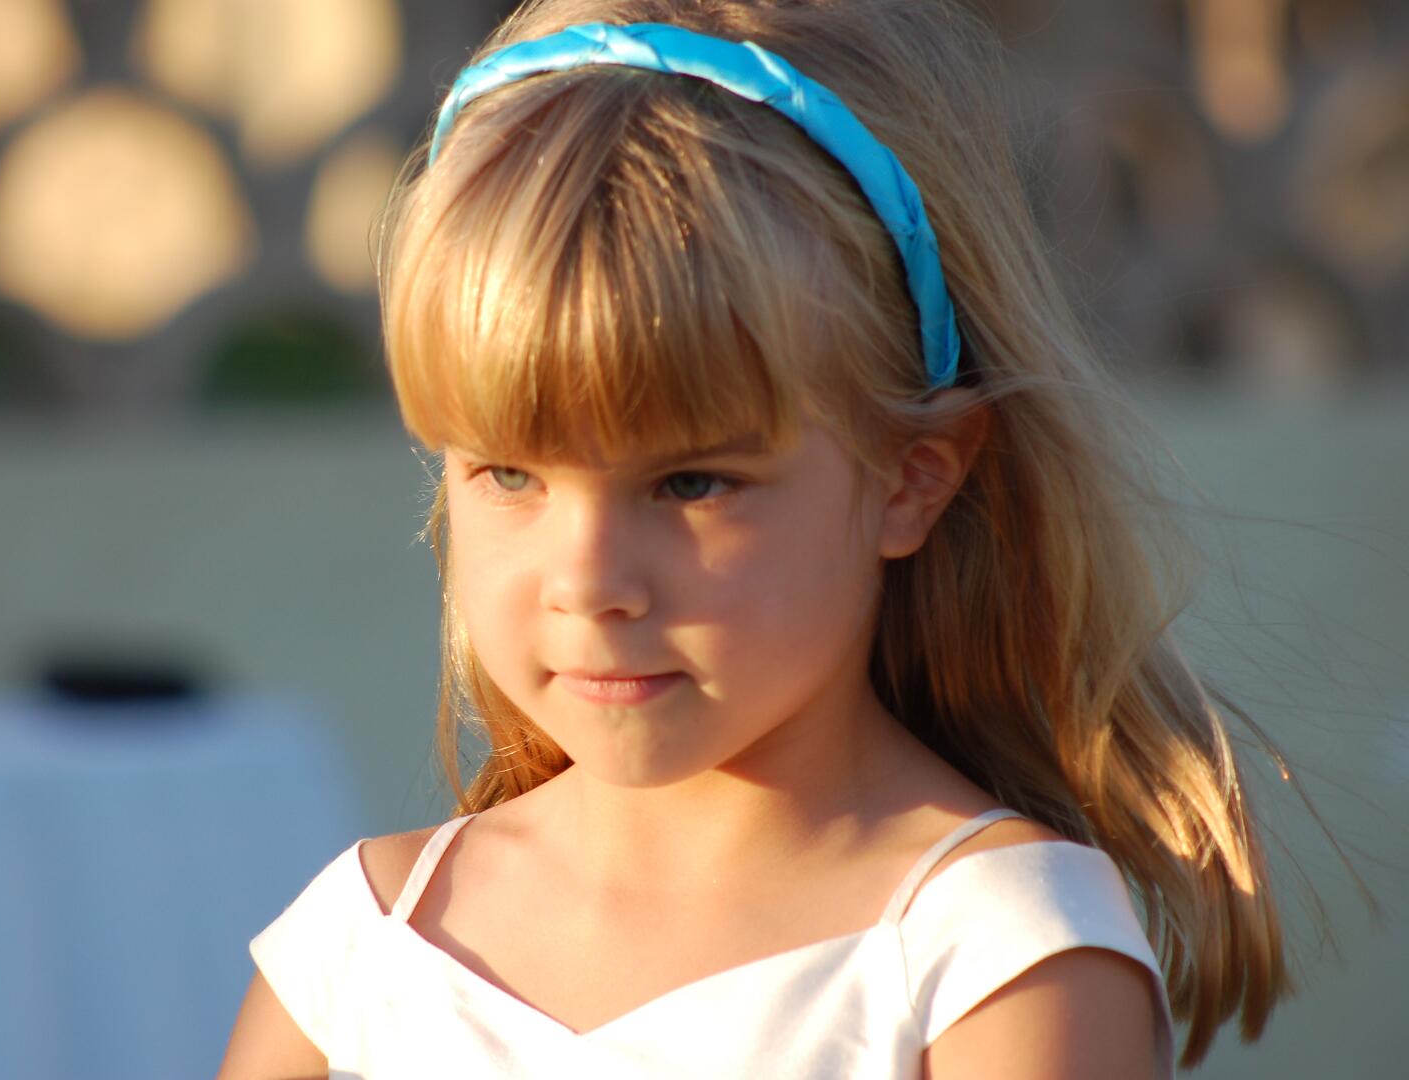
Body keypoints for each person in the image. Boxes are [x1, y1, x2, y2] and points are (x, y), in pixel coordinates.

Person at [217, 0, 1295, 1077]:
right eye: (510, 473)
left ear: (911, 479)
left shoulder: (995, 960)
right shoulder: (360, 954)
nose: (587, 580)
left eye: (691, 483)